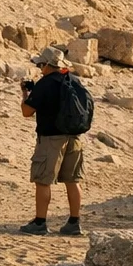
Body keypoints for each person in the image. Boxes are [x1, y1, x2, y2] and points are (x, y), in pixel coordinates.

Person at [19, 45, 89, 236]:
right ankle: (74, 222)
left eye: (41, 65)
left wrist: (26, 93)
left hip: (51, 139)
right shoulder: (74, 81)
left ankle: (40, 222)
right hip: (75, 137)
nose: (40, 69)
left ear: (47, 65)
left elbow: (27, 111)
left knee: (43, 180)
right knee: (73, 180)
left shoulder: (45, 83)